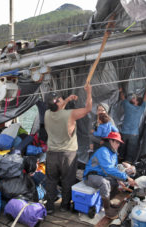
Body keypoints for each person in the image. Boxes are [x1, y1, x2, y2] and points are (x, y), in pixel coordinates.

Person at [44, 83, 92, 214]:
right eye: (60, 98)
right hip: (68, 155)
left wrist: (68, 99)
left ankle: (49, 207)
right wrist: (89, 92)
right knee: (67, 180)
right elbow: (88, 108)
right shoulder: (70, 114)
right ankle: (65, 206)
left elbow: (58, 108)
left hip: (51, 154)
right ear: (58, 103)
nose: (61, 99)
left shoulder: (47, 113)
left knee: (51, 180)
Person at [83, 132, 136, 219]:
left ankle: (108, 202)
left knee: (114, 182)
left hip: (101, 175)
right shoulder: (103, 151)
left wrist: (119, 180)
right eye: (117, 142)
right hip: (90, 176)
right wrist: (127, 178)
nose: (119, 145)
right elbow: (108, 169)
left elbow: (114, 168)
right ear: (111, 141)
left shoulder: (113, 153)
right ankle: (107, 210)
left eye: (119, 143)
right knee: (104, 183)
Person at [119, 86, 146, 163]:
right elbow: (144, 100)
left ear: (136, 102)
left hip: (124, 133)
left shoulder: (127, 105)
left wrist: (120, 91)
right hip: (134, 134)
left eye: (134, 98)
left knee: (121, 151)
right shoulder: (141, 108)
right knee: (130, 153)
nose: (132, 98)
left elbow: (122, 97)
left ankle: (119, 162)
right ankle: (127, 165)